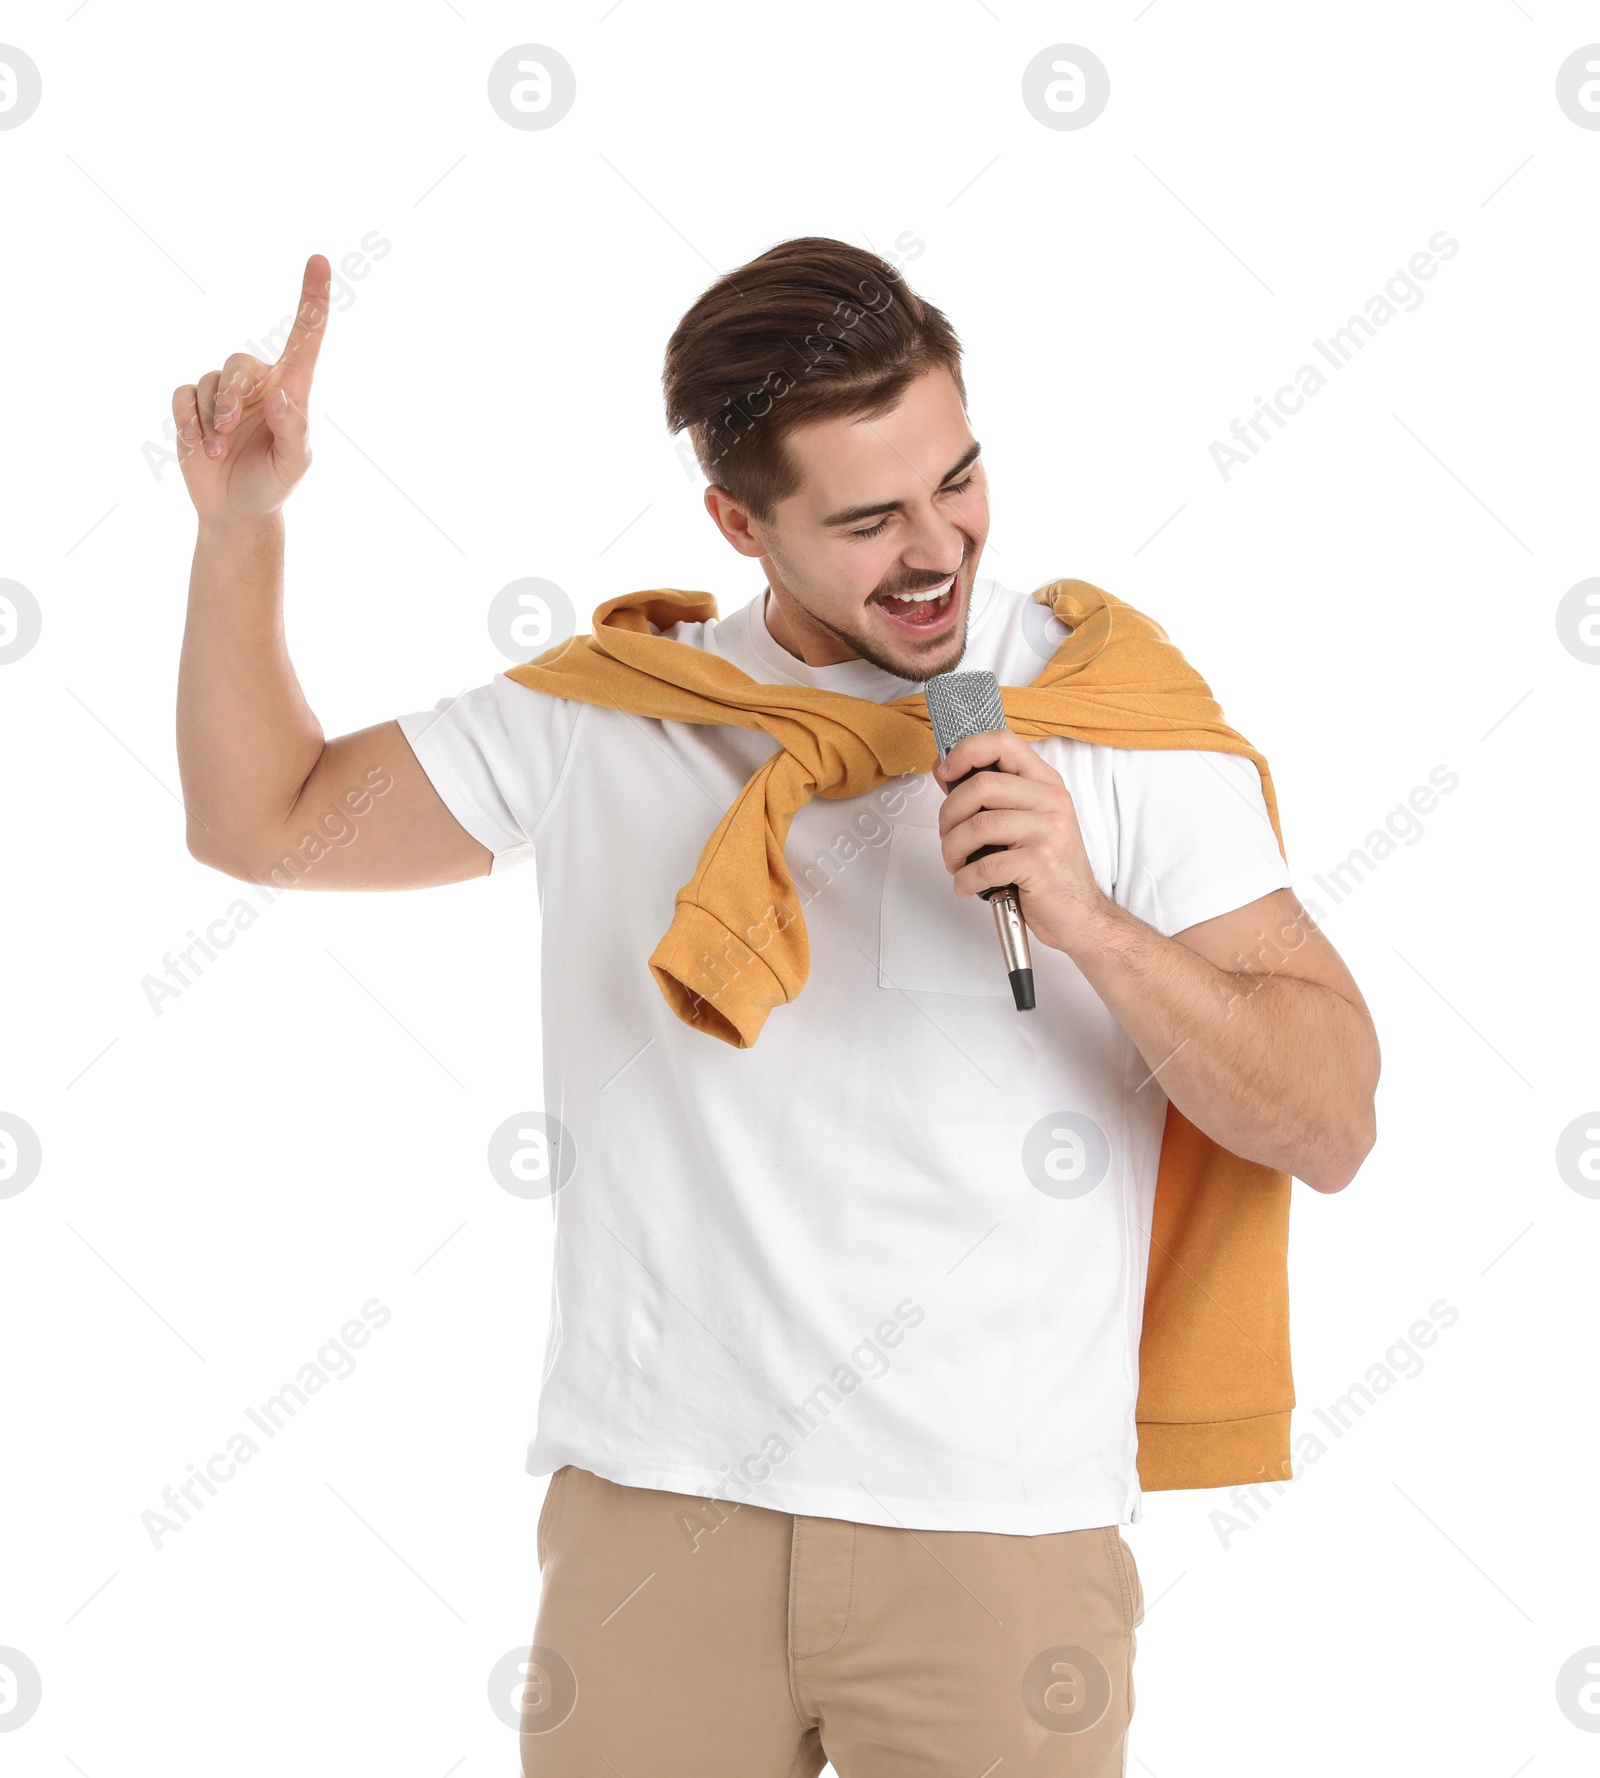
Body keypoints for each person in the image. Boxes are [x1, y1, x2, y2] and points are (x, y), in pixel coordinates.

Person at [172, 237, 1380, 1776]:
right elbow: (265, 819)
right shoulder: (613, 713)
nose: (938, 547)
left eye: (959, 479)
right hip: (651, 1514)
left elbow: (1332, 1116)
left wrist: (1090, 920)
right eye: (869, 519)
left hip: (992, 1536)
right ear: (736, 521)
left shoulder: (1108, 720)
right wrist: (242, 534)